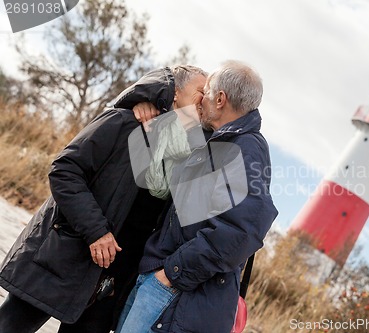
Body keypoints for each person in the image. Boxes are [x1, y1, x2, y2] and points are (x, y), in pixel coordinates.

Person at [0, 65, 207, 333]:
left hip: (112, 282)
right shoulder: (124, 123)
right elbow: (65, 171)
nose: (204, 100)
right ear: (176, 93)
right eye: (200, 92)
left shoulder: (186, 154)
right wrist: (97, 232)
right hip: (65, 256)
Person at [116, 60, 279, 333]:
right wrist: (145, 104)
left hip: (175, 288)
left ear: (220, 98)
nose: (200, 98)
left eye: (206, 91)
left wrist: (172, 273)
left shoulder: (246, 148)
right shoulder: (215, 137)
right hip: (161, 278)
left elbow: (244, 229)